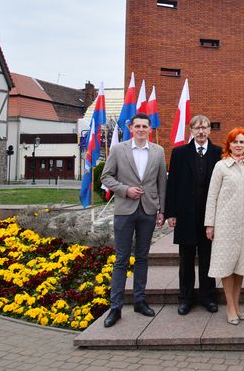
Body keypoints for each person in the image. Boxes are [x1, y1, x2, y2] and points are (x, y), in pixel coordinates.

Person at [101, 113, 167, 328]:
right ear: (131, 128)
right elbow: (106, 176)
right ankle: (115, 307)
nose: (140, 129)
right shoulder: (118, 150)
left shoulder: (158, 151)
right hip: (124, 210)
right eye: (137, 126)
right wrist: (125, 189)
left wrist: (162, 210)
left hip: (148, 210)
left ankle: (140, 300)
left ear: (150, 129)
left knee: (142, 258)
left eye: (144, 126)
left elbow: (162, 183)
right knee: (121, 259)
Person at [204, 128, 244, 325]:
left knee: (241, 266)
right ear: (229, 145)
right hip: (225, 224)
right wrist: (210, 224)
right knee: (227, 265)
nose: (238, 145)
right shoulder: (221, 166)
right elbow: (212, 196)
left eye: (242, 142)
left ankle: (237, 305)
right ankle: (230, 306)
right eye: (235, 142)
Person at [164, 115, 222, 316]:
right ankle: (186, 298)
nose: (201, 131)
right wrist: (171, 212)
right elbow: (172, 184)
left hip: (209, 216)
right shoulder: (179, 153)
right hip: (185, 215)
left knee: (208, 258)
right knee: (186, 259)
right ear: (191, 131)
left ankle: (208, 297)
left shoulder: (218, 153)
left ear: (209, 130)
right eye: (197, 128)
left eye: (204, 127)